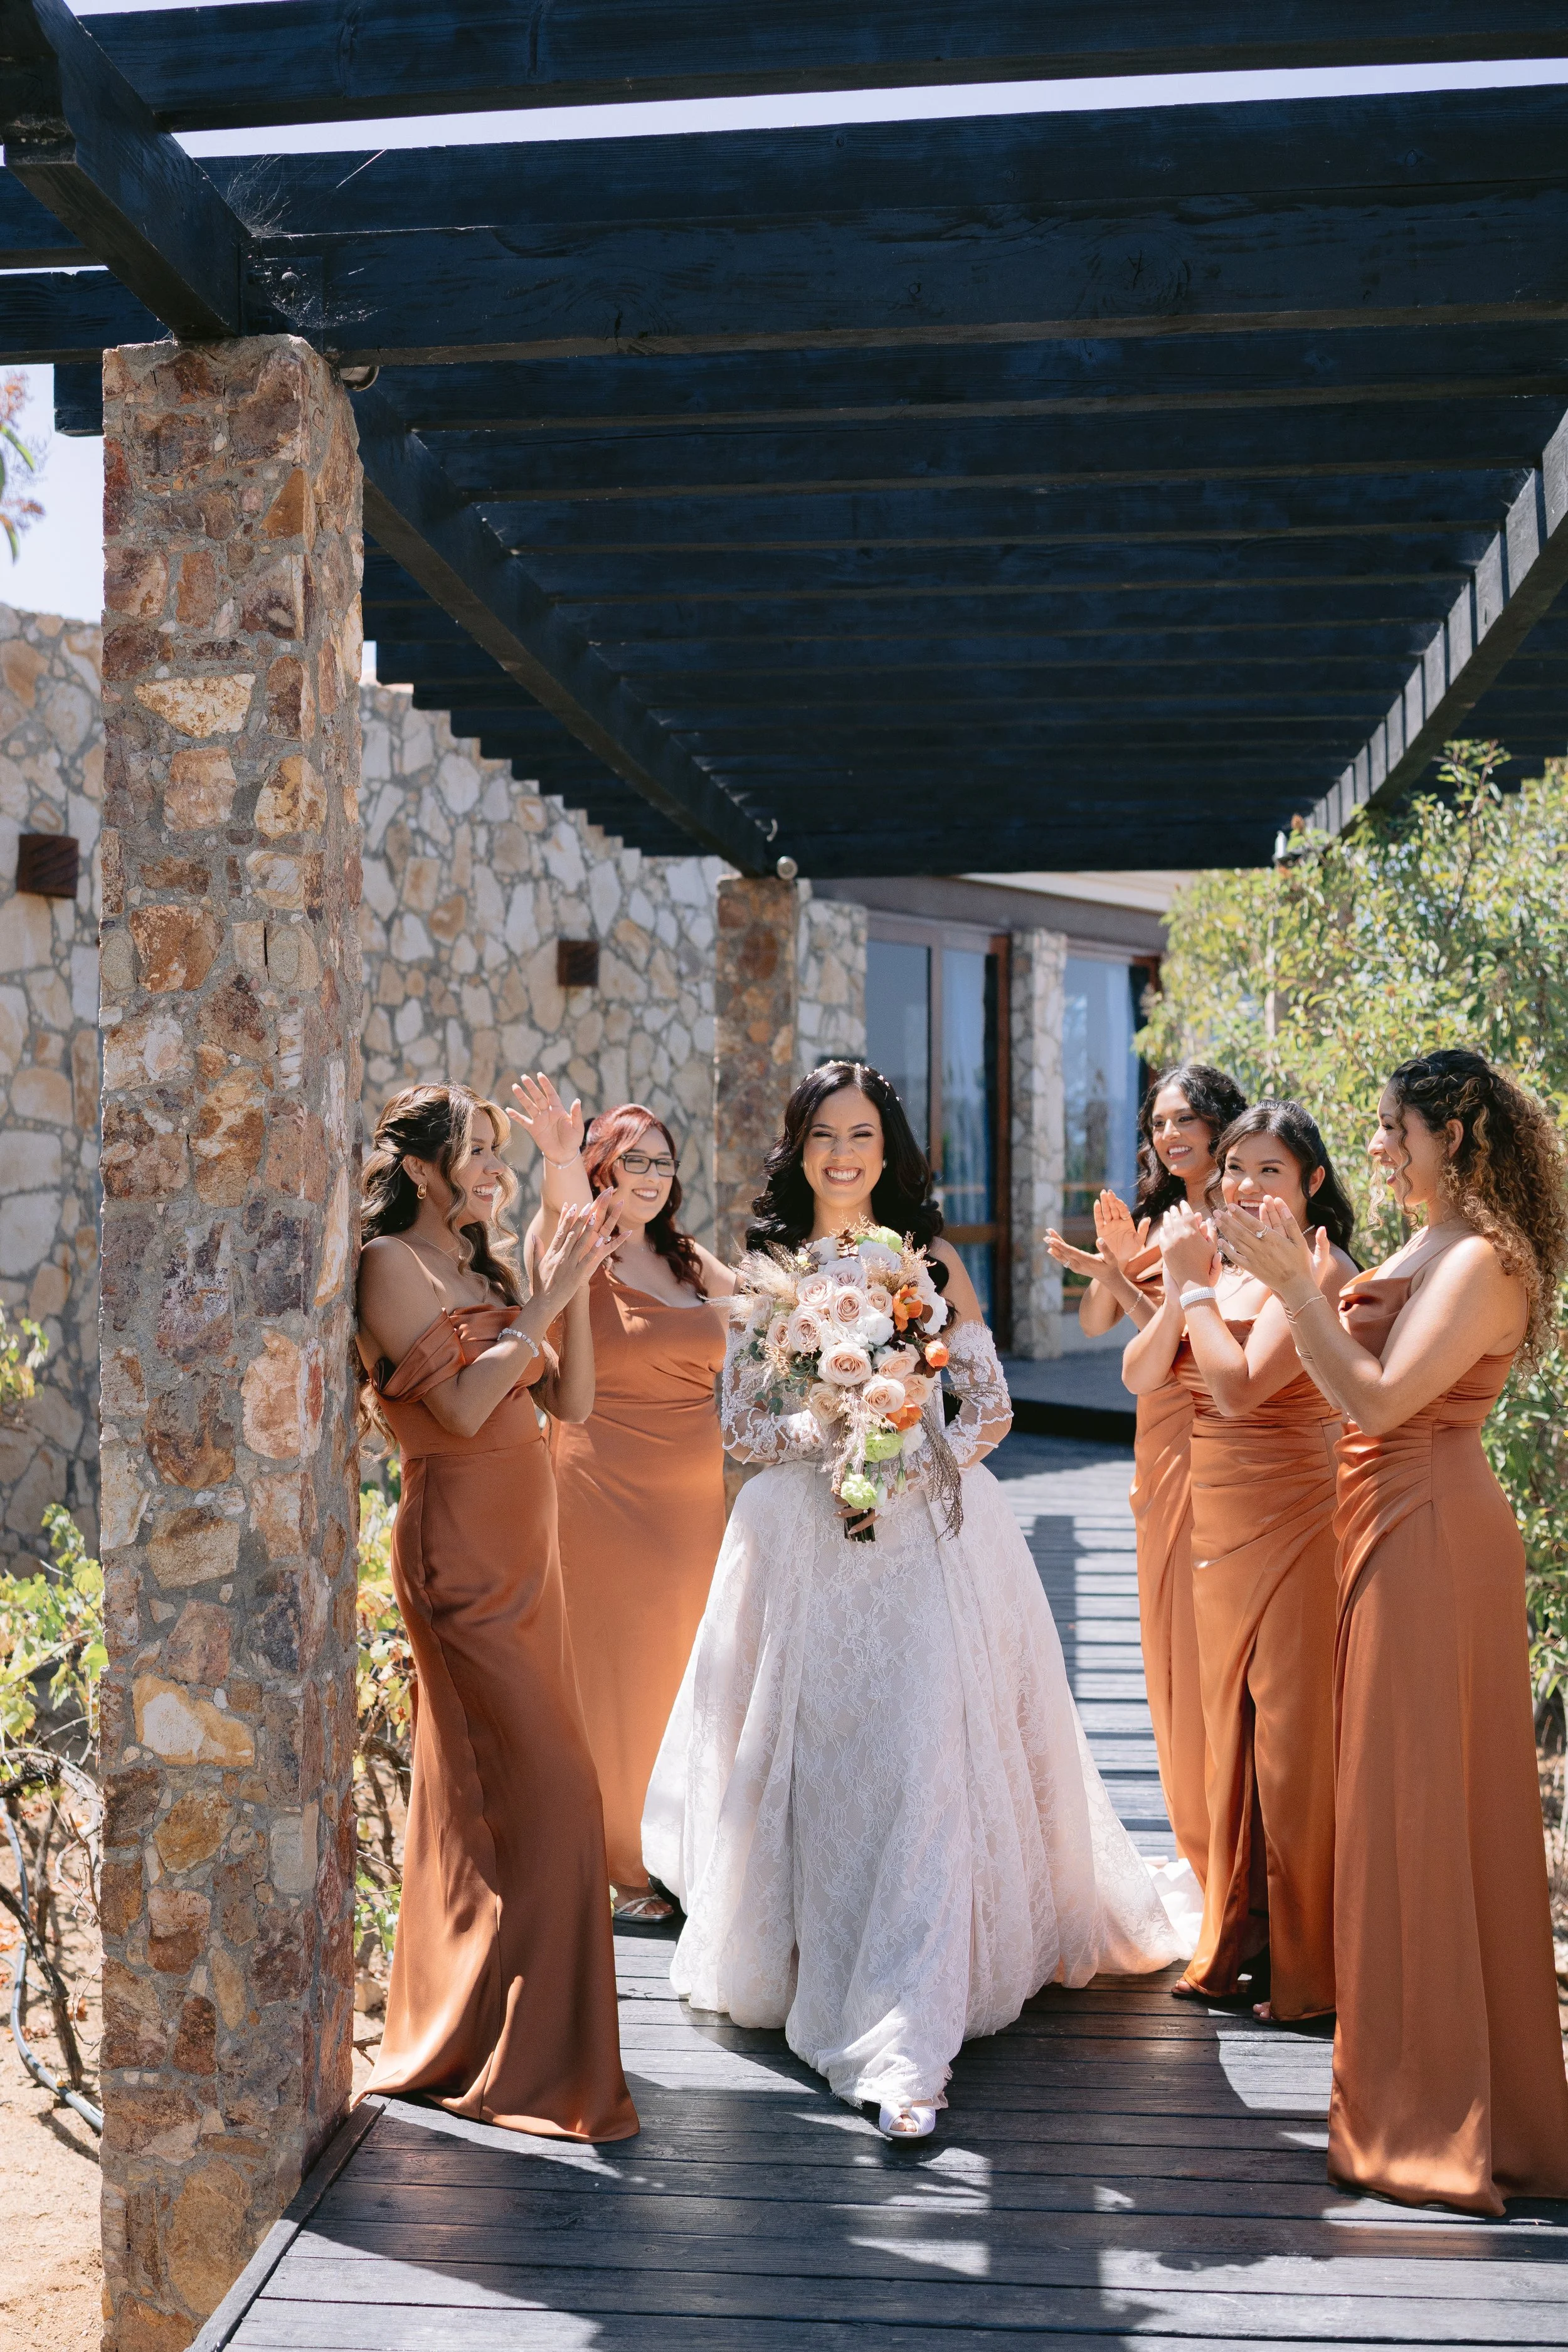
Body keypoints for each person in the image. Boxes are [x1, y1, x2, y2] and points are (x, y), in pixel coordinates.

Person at [644, 1060, 1182, 2143]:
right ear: (799, 1151)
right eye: (823, 1136)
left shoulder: (930, 1261)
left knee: (922, 1759)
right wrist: (833, 1429)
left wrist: (905, 1436)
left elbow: (986, 1406)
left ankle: (906, 2036)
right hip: (804, 1546)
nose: (842, 1154)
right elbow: (744, 1429)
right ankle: (822, 1960)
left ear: (889, 1150)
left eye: (861, 1135)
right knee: (830, 1767)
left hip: (930, 1540)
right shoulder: (770, 1268)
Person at [1215, 1049, 1568, 2212]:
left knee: (1424, 1807)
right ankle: (1432, 2091)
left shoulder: (1480, 1260)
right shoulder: (1432, 1241)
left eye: (1393, 1131)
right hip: (1382, 1519)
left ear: (1456, 1135)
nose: (1377, 1149)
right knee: (1392, 1807)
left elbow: (1370, 1399)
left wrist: (1299, 1291)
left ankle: (1446, 2119)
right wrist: (1305, 1286)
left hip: (1431, 1526)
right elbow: (1353, 1377)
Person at [354, 1083, 638, 2143]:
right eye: (473, 1150)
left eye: (493, 1148)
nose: (492, 1165)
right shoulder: (389, 1267)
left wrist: (572, 1289)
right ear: (422, 1171)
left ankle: (479, 2033)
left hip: (530, 1559)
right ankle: (539, 2067)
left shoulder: (480, 1266)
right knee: (560, 1796)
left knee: (502, 1803)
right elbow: (466, 1407)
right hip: (459, 1559)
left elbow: (571, 1405)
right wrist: (550, 1288)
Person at [1125, 1103, 1356, 2023]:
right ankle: (1243, 1931)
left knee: (1293, 1746)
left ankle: (1309, 1972)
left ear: (1311, 1186)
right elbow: (1146, 1376)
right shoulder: (1215, 1268)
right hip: (1217, 1530)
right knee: (1232, 1740)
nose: (1247, 1186)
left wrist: (1187, 1290)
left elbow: (1240, 1383)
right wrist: (1183, 1285)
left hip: (1298, 1524)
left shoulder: (1323, 1273)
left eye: (1271, 1170)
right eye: (1236, 1170)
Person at [514, 1074, 734, 1924]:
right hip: (600, 1495)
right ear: (603, 1166)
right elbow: (562, 1208)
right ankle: (623, 1860)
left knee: (688, 1672)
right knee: (616, 1674)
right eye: (631, 1159)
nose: (649, 1176)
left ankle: (682, 1848)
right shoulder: (578, 1243)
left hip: (693, 1511)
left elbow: (762, 1311)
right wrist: (563, 1159)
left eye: (664, 1163)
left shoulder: (684, 1256)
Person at [1046, 1062, 1248, 1892]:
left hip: (1230, 1430)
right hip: (1159, 1430)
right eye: (1159, 1122)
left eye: (1186, 1119)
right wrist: (1114, 1267)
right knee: (1165, 1642)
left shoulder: (1247, 1215)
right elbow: (1110, 1328)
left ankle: (1231, 1846)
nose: (1171, 1135)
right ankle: (1196, 1842)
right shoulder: (1158, 1214)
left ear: (1219, 1124)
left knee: (1217, 1642)